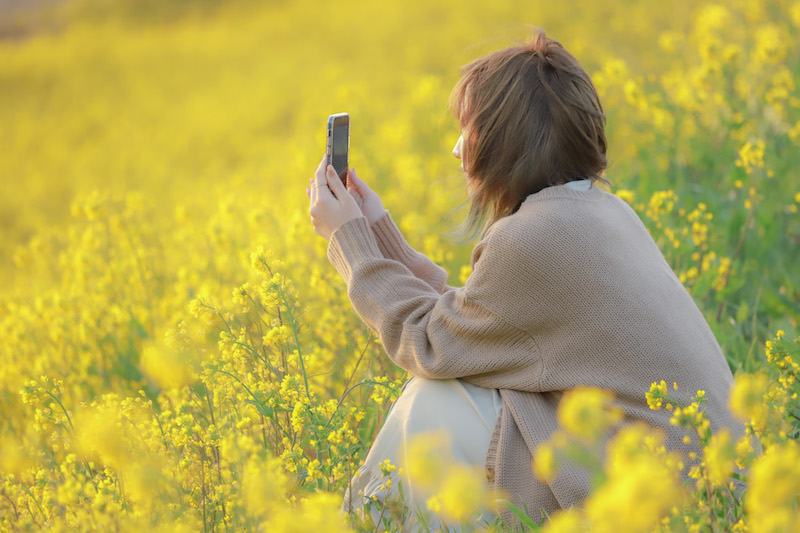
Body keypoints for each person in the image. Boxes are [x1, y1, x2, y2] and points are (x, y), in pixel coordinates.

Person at [306, 28, 744, 529]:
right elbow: (482, 327)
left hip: (656, 501)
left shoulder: (531, 239)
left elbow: (429, 344)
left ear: (501, 142)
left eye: (467, 131)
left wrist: (349, 241)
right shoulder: (603, 212)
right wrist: (376, 229)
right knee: (466, 392)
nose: (456, 151)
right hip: (715, 488)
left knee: (435, 399)